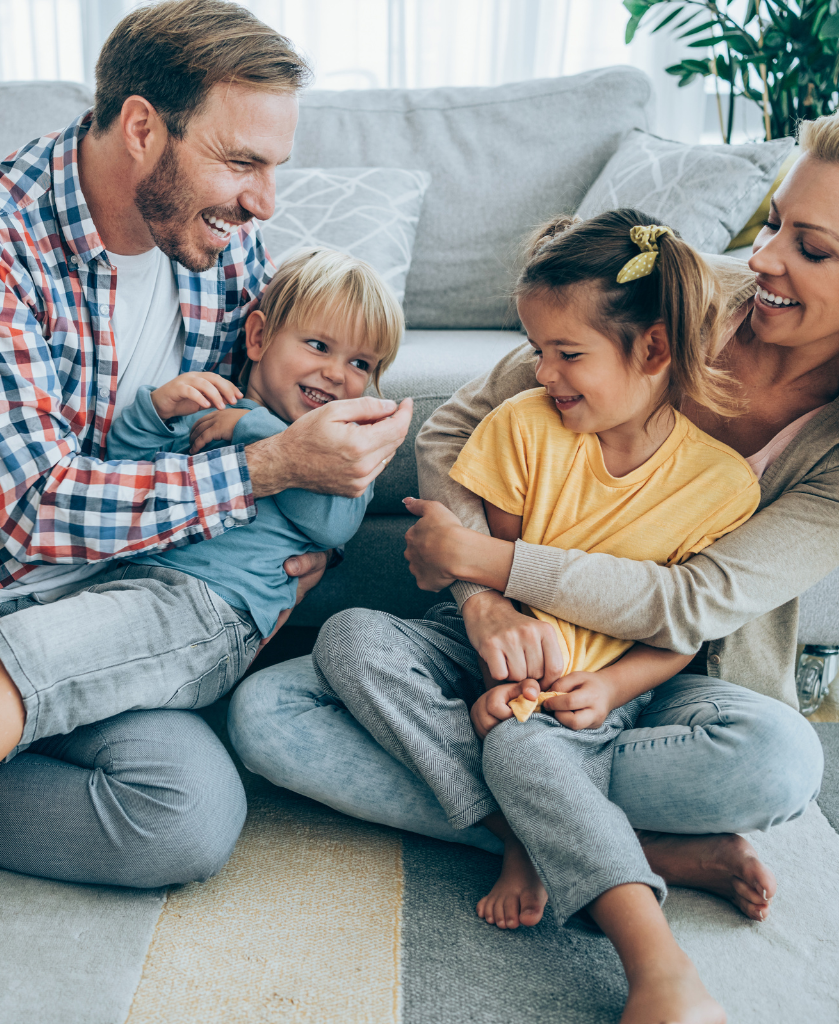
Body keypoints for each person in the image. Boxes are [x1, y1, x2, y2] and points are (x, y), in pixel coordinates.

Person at [231, 97, 839, 1020]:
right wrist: (483, 601)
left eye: (812, 248)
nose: (764, 261)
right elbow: (462, 427)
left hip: (658, 679)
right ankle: (623, 847)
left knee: (779, 761)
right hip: (501, 651)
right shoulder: (668, 293)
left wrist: (496, 564)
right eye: (775, 225)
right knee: (270, 713)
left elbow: (696, 604)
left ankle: (544, 821)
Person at [0, 0, 411, 888]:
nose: (263, 201)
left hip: (139, 598)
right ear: (141, 127)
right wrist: (265, 473)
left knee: (185, 815)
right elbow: (27, 510)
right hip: (1, 598)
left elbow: (259, 422)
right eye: (242, 161)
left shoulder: (217, 241)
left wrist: (292, 518)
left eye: (272, 167)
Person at [284, 212, 763, 1023]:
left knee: (525, 741)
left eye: (566, 353)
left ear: (652, 350)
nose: (542, 371)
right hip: (473, 648)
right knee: (349, 636)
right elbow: (490, 585)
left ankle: (658, 965)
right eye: (537, 349)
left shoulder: (721, 486)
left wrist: (609, 690)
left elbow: (678, 632)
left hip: (594, 687)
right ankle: (528, 833)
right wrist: (490, 641)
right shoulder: (521, 428)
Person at [0, 247, 403, 791]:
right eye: (319, 345)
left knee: (39, 652)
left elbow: (331, 524)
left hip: (204, 615)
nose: (336, 373)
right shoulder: (209, 406)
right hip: (122, 584)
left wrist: (250, 430)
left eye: (361, 364)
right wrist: (154, 413)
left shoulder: (339, 449)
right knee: (40, 649)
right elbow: (121, 467)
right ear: (258, 337)